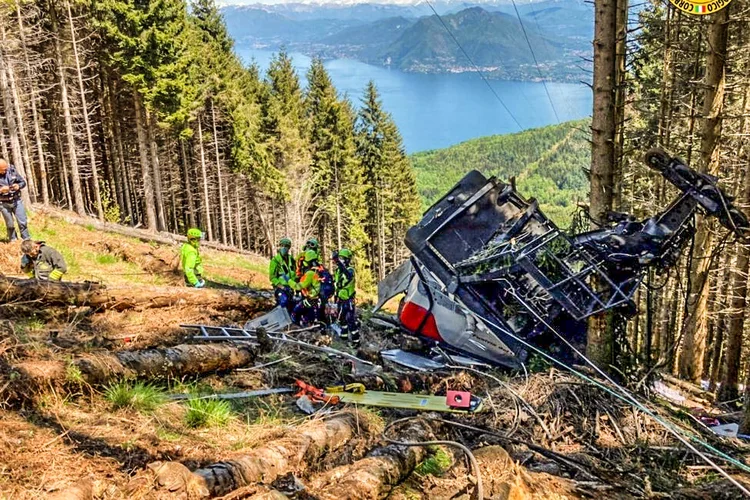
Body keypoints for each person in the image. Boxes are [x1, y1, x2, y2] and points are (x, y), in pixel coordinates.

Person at [332, 248, 358, 342]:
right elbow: (336, 283)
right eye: (340, 258)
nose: (341, 260)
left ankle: (356, 341)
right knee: (342, 320)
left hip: (348, 300)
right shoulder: (338, 271)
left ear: (347, 260)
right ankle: (344, 337)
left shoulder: (350, 270)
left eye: (342, 258)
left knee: (350, 321)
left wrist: (338, 262)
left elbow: (348, 276)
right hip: (340, 299)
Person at [0, 158, 29, 241]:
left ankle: (26, 240)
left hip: (16, 200)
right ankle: (13, 240)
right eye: (2, 170)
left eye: (6, 169)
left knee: (22, 222)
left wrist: (18, 186)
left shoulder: (12, 171)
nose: (5, 171)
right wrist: (1, 190)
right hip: (3, 203)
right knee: (10, 225)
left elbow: (23, 182)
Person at [291, 249, 322, 326]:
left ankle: (302, 324)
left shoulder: (309, 273)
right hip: (315, 299)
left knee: (295, 312)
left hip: (310, 299)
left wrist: (288, 280)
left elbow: (298, 286)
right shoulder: (318, 270)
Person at [269, 237, 296, 311]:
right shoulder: (275, 260)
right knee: (283, 303)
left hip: (290, 288)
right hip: (281, 288)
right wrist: (281, 286)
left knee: (292, 306)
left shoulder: (292, 260)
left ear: (289, 247)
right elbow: (272, 277)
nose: (284, 248)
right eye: (282, 245)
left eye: (286, 246)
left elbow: (295, 274)